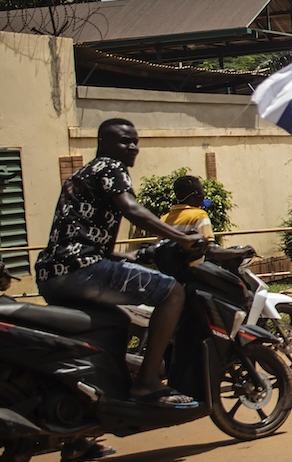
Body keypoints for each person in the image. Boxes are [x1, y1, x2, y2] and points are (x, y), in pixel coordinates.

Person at [36, 118, 207, 409]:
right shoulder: (110, 167)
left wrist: (124, 257)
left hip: (53, 273)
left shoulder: (80, 176)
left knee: (113, 322)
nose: (132, 148)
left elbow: (77, 234)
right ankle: (148, 382)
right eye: (124, 141)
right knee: (172, 292)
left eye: (135, 142)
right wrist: (180, 237)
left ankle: (85, 421)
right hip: (82, 269)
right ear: (103, 143)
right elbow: (131, 209)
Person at [161, 175, 253, 263]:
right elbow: (211, 251)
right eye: (202, 194)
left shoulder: (164, 219)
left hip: (168, 273)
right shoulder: (199, 215)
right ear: (196, 195)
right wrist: (242, 251)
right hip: (194, 272)